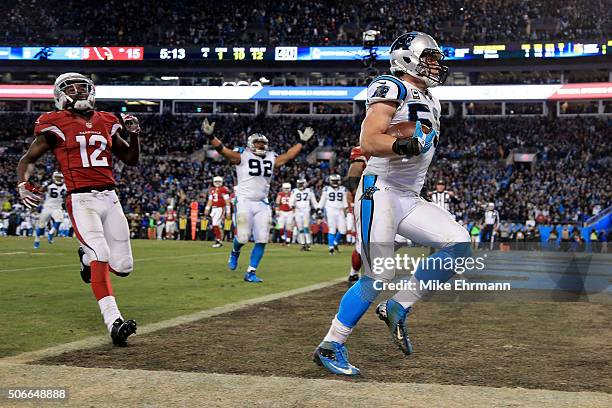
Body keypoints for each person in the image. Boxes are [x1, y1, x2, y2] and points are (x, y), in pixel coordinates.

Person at [313, 32, 470, 376]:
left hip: (408, 195)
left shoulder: (432, 99)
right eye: (428, 57)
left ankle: (398, 306)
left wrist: (411, 142)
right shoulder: (389, 85)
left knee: (459, 243)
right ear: (407, 58)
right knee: (377, 276)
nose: (435, 64)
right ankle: (331, 344)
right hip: (380, 189)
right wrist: (405, 146)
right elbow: (369, 139)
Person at [16, 72, 141, 346]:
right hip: (82, 199)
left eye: (83, 88)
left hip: (110, 198)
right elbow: (28, 158)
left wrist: (133, 136)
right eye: (72, 89)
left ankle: (85, 259)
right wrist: (23, 182)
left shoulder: (107, 120)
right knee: (102, 253)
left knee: (123, 266)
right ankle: (114, 322)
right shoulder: (54, 122)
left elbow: (130, 159)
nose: (80, 92)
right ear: (60, 95)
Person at [201, 118, 314, 282]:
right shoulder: (242, 155)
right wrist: (211, 137)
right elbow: (223, 151)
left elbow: (288, 156)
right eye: (258, 142)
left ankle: (251, 272)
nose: (261, 145)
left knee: (262, 239)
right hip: (244, 202)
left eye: (263, 143)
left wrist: (301, 142)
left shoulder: (271, 156)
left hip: (262, 203)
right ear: (250, 144)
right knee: (242, 237)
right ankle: (235, 251)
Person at [34, 171, 66, 248]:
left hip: (57, 207)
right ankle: (37, 241)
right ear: (54, 177)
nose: (58, 179)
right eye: (57, 177)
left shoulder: (65, 186)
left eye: (60, 178)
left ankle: (51, 233)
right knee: (41, 226)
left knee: (59, 220)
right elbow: (40, 190)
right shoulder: (49, 185)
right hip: (47, 207)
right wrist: (45, 185)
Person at [317, 174, 348, 255]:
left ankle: (334, 243)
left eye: (336, 181)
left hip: (340, 210)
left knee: (343, 230)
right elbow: (322, 200)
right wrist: (319, 210)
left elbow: (344, 202)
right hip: (330, 210)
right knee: (332, 229)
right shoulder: (326, 189)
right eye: (334, 181)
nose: (335, 182)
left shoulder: (343, 189)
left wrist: (346, 210)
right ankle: (331, 248)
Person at [290, 178, 318, 251]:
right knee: (300, 228)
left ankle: (308, 243)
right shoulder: (294, 191)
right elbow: (291, 201)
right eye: (299, 184)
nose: (300, 185)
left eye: (301, 184)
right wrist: (291, 205)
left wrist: (318, 209)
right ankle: (303, 244)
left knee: (306, 227)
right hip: (297, 211)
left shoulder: (309, 191)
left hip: (306, 210)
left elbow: (314, 201)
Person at [204, 176, 231, 247]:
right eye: (216, 181)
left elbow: (227, 201)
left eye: (219, 181)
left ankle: (219, 241)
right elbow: (210, 200)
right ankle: (219, 240)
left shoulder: (223, 189)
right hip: (213, 208)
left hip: (220, 208)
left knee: (215, 224)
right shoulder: (212, 190)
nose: (217, 183)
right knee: (216, 225)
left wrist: (228, 212)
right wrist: (207, 208)